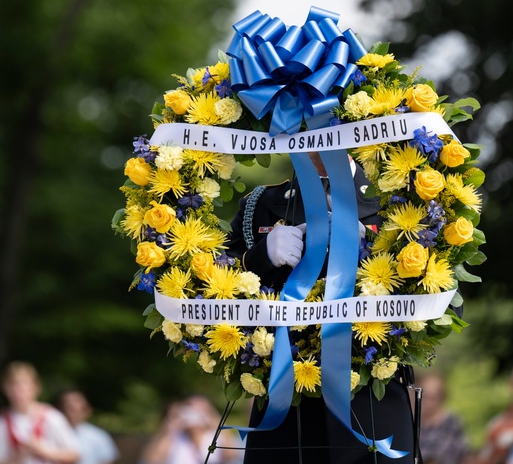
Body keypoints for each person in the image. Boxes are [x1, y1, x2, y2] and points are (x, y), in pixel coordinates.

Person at [226, 152, 417, 463]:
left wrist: (370, 254)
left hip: (371, 403)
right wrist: (261, 257)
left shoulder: (397, 202)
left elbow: (444, 305)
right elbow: (213, 290)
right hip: (285, 402)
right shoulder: (261, 203)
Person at [0, 362, 81, 464]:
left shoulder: (51, 417)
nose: (18, 391)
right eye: (13, 386)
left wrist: (43, 450)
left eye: (24, 385)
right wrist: (16, 458)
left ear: (36, 387)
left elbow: (75, 454)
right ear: (5, 389)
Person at [138, 395, 242, 464]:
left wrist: (215, 421)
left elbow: (232, 456)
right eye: (190, 408)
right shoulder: (175, 436)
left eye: (200, 410)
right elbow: (151, 460)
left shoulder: (215, 436)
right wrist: (169, 429)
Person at [416, 374, 471, 464]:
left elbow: (463, 455)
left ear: (442, 397)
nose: (427, 402)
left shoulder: (452, 423)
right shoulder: (413, 422)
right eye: (424, 396)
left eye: (432, 397)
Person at [57, 389, 120, 464]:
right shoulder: (52, 432)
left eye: (74, 409)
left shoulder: (98, 435)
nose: (71, 412)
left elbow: (107, 460)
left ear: (87, 409)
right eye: (68, 407)